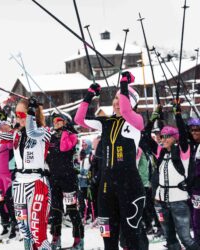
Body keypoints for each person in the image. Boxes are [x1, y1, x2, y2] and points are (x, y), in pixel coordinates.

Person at [74, 72, 147, 250]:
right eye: (114, 98)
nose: (116, 102)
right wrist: (90, 94)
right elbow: (79, 119)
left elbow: (126, 110)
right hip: (106, 186)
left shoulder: (136, 121)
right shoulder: (105, 122)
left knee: (131, 238)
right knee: (108, 237)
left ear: (133, 102)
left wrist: (124, 85)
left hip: (129, 185)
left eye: (120, 98)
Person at [0, 97, 52, 250]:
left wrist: (30, 112)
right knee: (25, 231)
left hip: (37, 183)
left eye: (22, 114)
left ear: (33, 114)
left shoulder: (44, 132)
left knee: (38, 232)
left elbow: (32, 131)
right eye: (17, 115)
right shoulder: (16, 134)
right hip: (19, 185)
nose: (19, 118)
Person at [143, 105, 200, 250]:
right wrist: (153, 118)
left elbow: (182, 132)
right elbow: (144, 135)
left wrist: (178, 114)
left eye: (167, 136)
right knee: (170, 239)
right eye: (162, 137)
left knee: (186, 238)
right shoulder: (160, 152)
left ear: (174, 138)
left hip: (179, 202)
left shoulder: (183, 152)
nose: (163, 139)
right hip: (162, 202)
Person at [46, 113, 84, 250]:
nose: (56, 123)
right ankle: (56, 238)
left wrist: (66, 130)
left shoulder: (71, 135)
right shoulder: (51, 136)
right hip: (54, 178)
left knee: (72, 209)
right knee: (55, 210)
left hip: (68, 178)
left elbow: (63, 147)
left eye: (59, 121)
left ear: (65, 122)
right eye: (54, 121)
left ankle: (78, 239)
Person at [188, 117, 200, 245]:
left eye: (197, 130)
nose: (194, 132)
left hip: (197, 187)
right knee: (195, 219)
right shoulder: (191, 146)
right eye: (192, 130)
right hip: (194, 190)